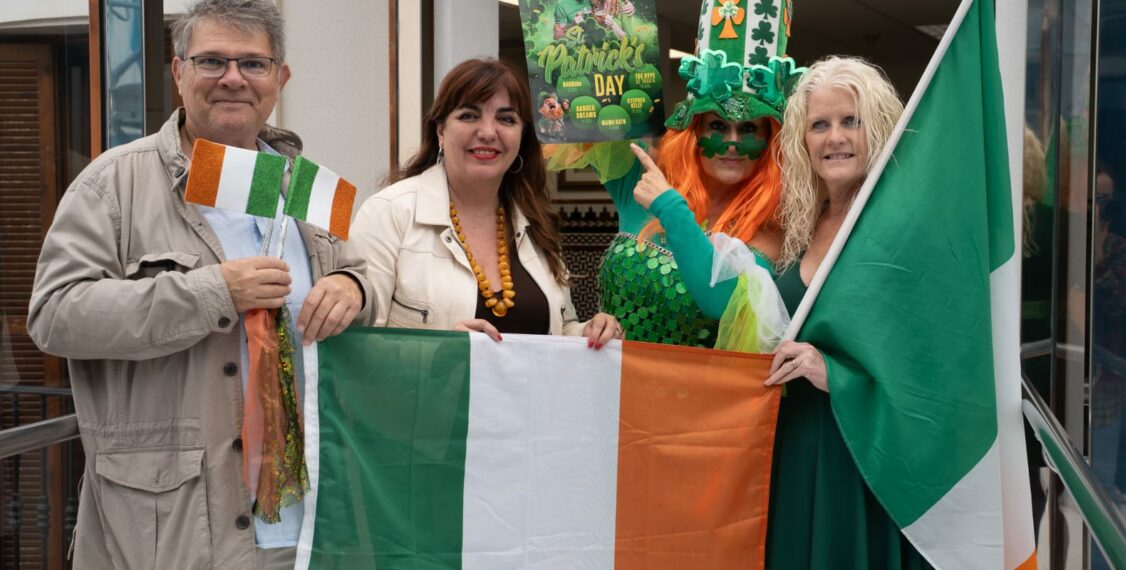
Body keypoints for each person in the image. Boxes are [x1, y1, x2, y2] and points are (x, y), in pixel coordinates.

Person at [26, 1, 374, 568]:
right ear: (179, 72)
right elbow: (56, 315)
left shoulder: (301, 184)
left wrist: (356, 290)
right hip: (175, 531)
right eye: (212, 60)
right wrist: (212, 293)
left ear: (280, 78)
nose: (233, 78)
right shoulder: (115, 182)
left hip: (308, 525)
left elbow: (358, 277)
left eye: (253, 64)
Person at [760, 56, 931, 568]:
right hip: (792, 451)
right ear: (801, 140)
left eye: (850, 120)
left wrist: (832, 372)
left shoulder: (901, 232)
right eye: (820, 124)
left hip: (865, 463)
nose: (835, 137)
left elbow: (927, 368)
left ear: (876, 128)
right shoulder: (798, 230)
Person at [550, 0, 794, 349]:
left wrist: (670, 208)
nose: (732, 143)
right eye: (717, 126)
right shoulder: (643, 178)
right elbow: (583, 105)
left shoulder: (770, 229)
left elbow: (721, 302)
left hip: (693, 400)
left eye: (749, 129)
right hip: (608, 390)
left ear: (770, 141)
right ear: (693, 132)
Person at [352, 58, 620, 345]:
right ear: (441, 131)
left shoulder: (536, 223)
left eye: (506, 119)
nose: (488, 132)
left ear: (521, 137)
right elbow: (355, 345)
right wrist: (439, 355)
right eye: (469, 115)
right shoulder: (389, 212)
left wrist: (589, 332)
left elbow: (559, 330)